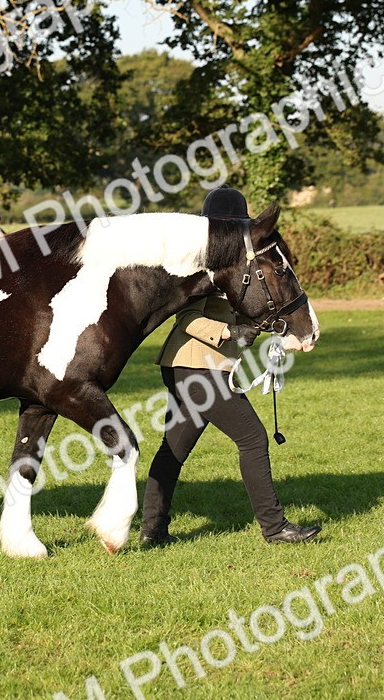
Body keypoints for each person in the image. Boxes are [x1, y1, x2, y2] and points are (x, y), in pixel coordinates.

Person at [141, 185, 321, 546]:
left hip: (189, 366)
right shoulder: (201, 264)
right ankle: (275, 528)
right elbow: (187, 319)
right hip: (196, 368)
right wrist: (230, 332)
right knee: (252, 438)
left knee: (174, 449)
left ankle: (153, 531)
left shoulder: (234, 261)